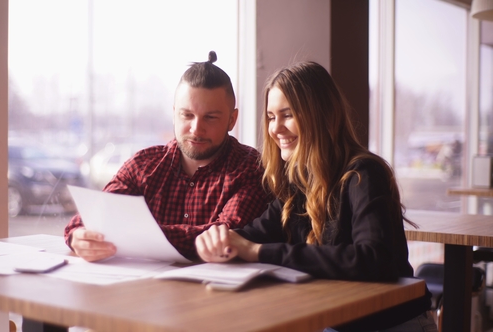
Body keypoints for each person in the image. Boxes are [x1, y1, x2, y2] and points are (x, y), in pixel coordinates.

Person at [195, 62, 437, 332]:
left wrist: (258, 252)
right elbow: (255, 234)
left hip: (395, 324)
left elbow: (372, 259)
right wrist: (220, 240)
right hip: (337, 322)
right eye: (271, 117)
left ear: (319, 115)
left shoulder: (364, 174)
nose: (275, 128)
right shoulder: (297, 183)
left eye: (287, 115)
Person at [64, 51, 270, 261]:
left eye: (210, 117)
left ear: (232, 119)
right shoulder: (143, 165)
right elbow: (98, 214)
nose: (196, 129)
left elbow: (224, 236)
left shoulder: (251, 168)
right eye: (187, 115)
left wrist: (131, 234)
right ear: (174, 113)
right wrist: (79, 234)